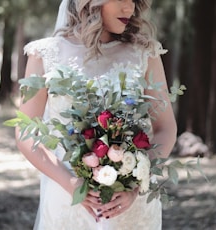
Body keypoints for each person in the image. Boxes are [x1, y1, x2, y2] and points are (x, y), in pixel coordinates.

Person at [16, 0, 177, 229]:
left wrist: (135, 184)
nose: (129, 8)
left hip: (130, 206)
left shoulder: (144, 54)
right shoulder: (45, 54)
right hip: (68, 200)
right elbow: (26, 132)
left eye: (134, 0)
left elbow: (166, 128)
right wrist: (71, 183)